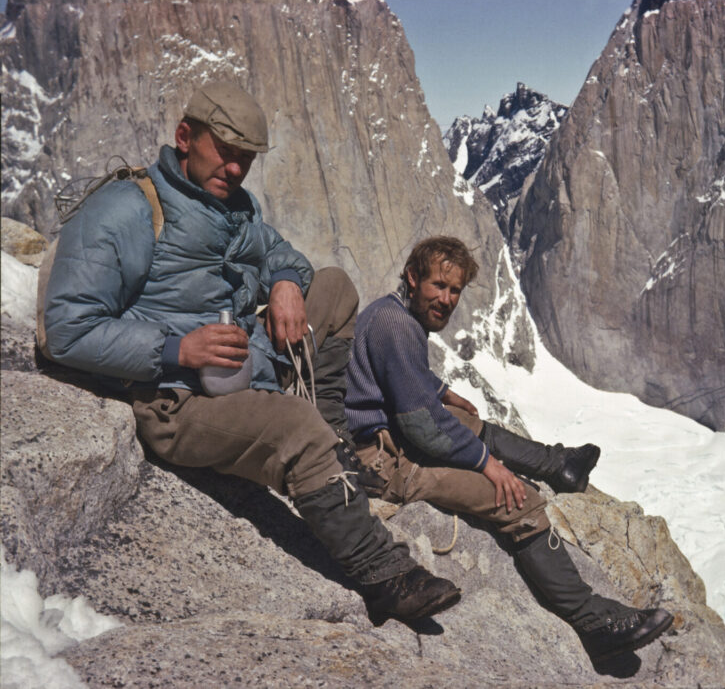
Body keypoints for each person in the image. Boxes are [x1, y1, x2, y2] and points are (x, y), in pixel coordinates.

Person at [42, 81, 460, 623]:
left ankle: (331, 444)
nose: (236, 168)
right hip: (177, 400)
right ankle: (387, 578)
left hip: (243, 365)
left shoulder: (232, 206)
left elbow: (280, 253)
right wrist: (176, 350)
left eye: (246, 158)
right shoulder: (125, 210)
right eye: (226, 152)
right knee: (294, 427)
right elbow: (69, 328)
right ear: (185, 137)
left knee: (334, 287)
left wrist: (285, 281)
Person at [344, 235, 674, 662]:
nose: (446, 299)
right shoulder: (397, 325)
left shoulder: (391, 314)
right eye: (438, 286)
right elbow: (423, 429)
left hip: (385, 437)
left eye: (455, 290)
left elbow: (398, 376)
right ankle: (593, 621)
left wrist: (441, 390)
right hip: (383, 462)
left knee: (467, 423)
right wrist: (491, 468)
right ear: (412, 277)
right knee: (517, 498)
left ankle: (559, 465)